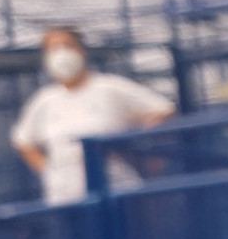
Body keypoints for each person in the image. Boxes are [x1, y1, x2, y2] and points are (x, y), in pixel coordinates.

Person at [11, 26, 175, 205]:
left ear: (81, 50)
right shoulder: (44, 100)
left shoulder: (109, 87)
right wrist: (49, 171)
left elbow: (163, 110)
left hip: (115, 191)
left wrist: (137, 144)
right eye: (53, 48)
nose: (61, 54)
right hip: (65, 199)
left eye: (67, 45)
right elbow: (23, 141)